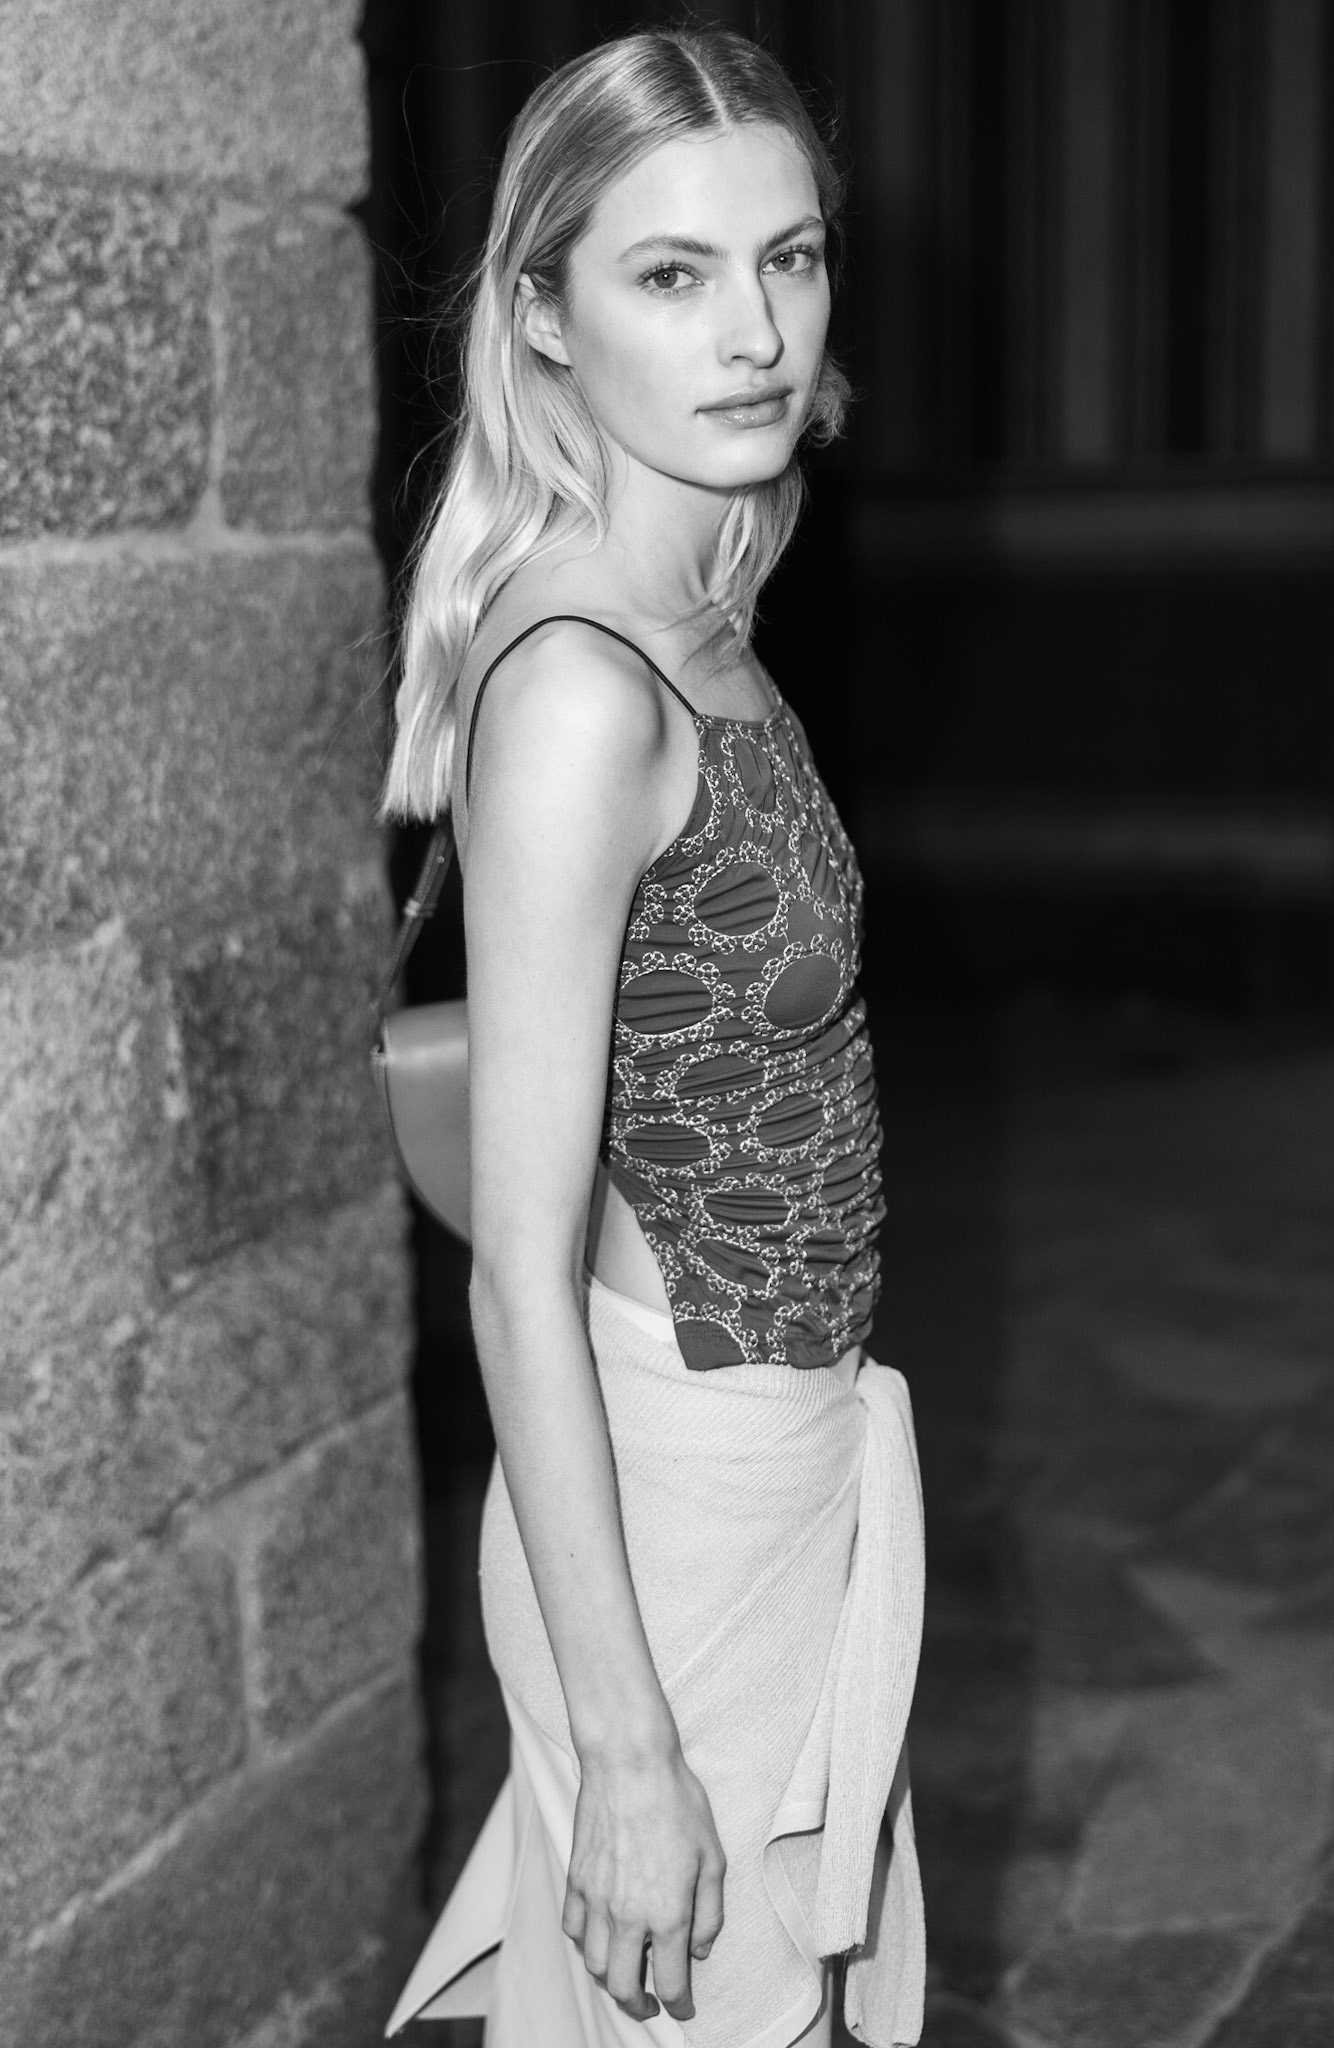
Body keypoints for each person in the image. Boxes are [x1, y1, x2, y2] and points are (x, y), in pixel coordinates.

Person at [380, 26, 925, 2048]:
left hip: (776, 1450)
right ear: (545, 314)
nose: (756, 332)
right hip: (673, 1490)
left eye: (789, 258)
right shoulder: (584, 693)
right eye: (672, 274)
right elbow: (510, 1270)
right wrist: (624, 1748)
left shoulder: (702, 600)